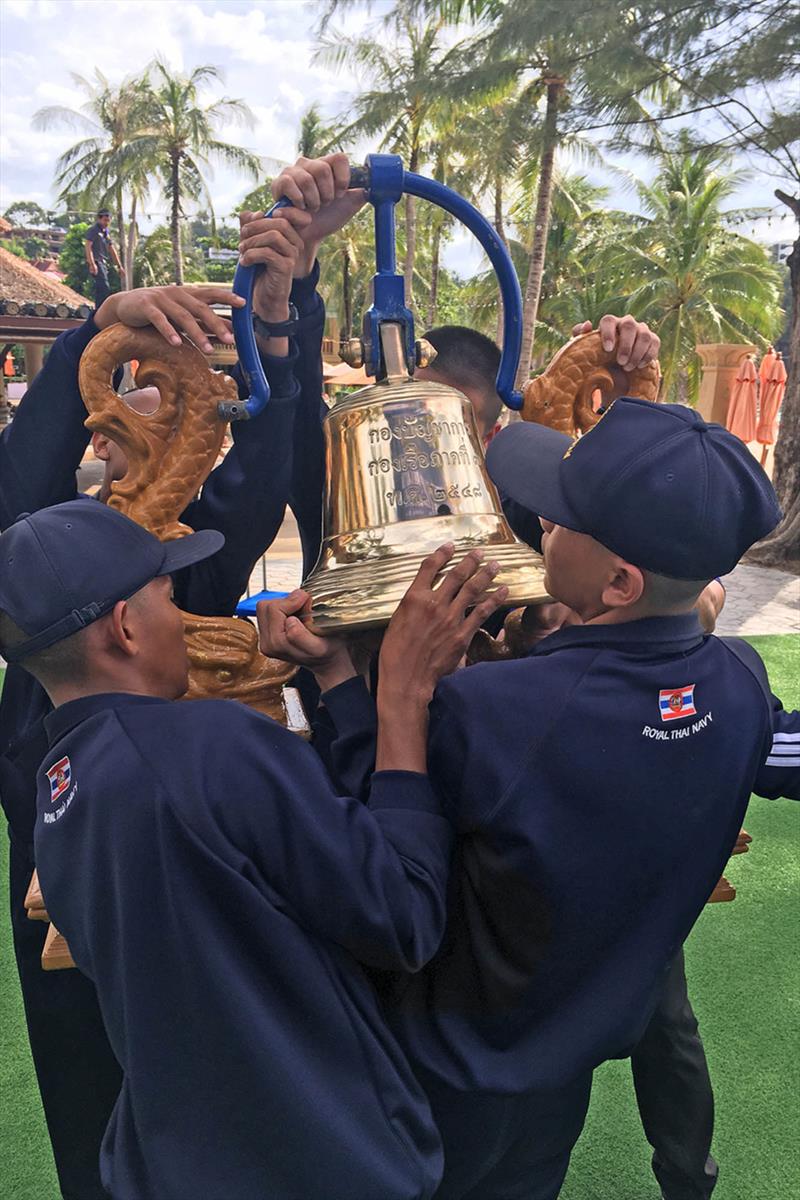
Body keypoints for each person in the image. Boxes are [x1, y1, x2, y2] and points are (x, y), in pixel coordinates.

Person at [264, 397, 796, 1200]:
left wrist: (360, 685)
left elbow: (381, 838)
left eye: (562, 515)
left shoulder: (495, 712)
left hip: (444, 1059)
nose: (539, 518)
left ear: (618, 582)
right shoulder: (745, 688)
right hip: (569, 1052)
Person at [0, 501, 505, 1200]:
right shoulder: (215, 746)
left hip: (178, 1164)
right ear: (124, 627)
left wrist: (334, 682)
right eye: (169, 600)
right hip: (322, 1162)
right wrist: (400, 699)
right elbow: (405, 913)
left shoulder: (56, 793)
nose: (187, 622)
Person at [0, 208, 314, 1200]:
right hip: (85, 932)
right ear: (126, 629)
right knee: (101, 1115)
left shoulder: (125, 589)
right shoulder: (59, 589)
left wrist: (276, 315)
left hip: (189, 954)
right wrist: (98, 329)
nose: (142, 427)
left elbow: (252, 487)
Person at [84, 209, 125, 307]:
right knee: (104, 287)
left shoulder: (105, 232)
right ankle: (99, 310)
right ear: (99, 219)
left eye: (108, 220)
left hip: (103, 262)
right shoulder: (93, 230)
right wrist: (92, 263)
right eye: (105, 220)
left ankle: (101, 308)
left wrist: (119, 266)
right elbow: (88, 246)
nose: (107, 223)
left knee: (105, 288)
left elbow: (111, 249)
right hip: (96, 261)